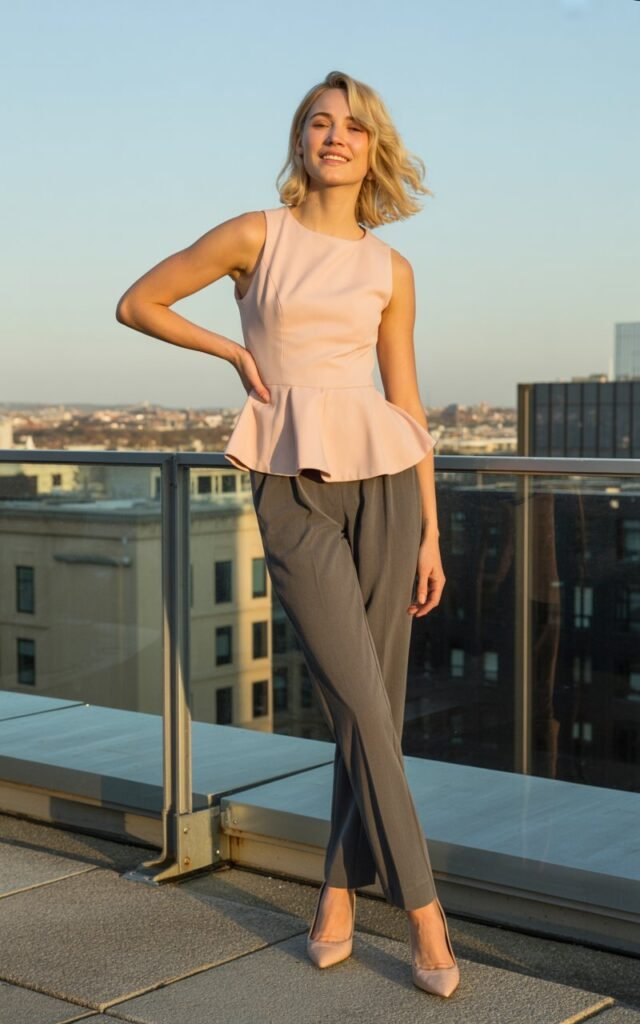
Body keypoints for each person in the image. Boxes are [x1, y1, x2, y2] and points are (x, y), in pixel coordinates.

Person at [115, 69, 459, 999]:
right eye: (319, 122)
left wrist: (430, 530)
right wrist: (233, 350)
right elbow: (138, 302)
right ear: (300, 140)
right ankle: (427, 916)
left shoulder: (392, 270)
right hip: (291, 484)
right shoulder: (253, 235)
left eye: (354, 126)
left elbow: (408, 400)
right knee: (359, 700)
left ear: (373, 147)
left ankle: (338, 894)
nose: (336, 136)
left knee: (370, 705)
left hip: (387, 485)